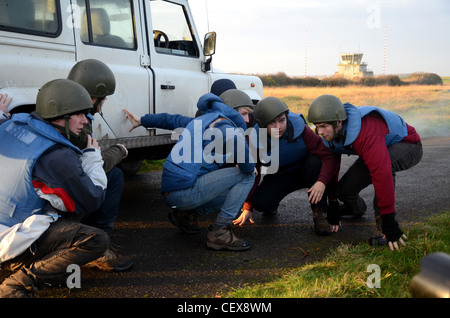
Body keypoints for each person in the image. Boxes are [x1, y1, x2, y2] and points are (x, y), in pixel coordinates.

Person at [0, 79, 110, 297]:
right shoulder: (56, 156)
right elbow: (92, 197)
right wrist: (92, 158)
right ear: (60, 116)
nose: (84, 120)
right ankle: (19, 283)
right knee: (96, 240)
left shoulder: (11, 124)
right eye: (78, 114)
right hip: (9, 241)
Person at [124, 92, 257, 251]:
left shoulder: (203, 120)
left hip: (171, 191)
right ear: (231, 110)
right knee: (247, 177)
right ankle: (220, 232)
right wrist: (247, 167)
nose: (247, 120)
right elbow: (244, 158)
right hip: (183, 191)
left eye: (249, 115)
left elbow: (172, 120)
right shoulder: (227, 127)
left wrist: (142, 120)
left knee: (234, 188)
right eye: (244, 114)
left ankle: (185, 214)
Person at [307, 94, 423, 250]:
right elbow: (333, 164)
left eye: (323, 126)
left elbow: (381, 174)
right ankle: (357, 209)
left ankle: (382, 222)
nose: (319, 132)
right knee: (343, 190)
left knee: (384, 166)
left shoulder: (366, 132)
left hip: (407, 145)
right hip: (377, 148)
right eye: (316, 126)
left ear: (338, 122)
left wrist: (389, 219)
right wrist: (333, 202)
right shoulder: (331, 133)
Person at [67, 59, 132, 271]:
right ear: (94, 97)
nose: (102, 105)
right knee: (114, 177)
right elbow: (96, 167)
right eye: (102, 100)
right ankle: (97, 246)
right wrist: (119, 151)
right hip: (59, 194)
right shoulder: (78, 123)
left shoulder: (60, 110)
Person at [240, 96, 339, 236]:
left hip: (307, 172)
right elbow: (253, 172)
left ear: (287, 117)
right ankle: (272, 205)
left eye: (281, 120)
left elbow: (329, 156)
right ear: (262, 125)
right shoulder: (255, 138)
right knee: (261, 203)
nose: (278, 127)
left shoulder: (301, 129)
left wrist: (322, 183)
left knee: (316, 161)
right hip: (280, 175)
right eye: (271, 123)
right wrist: (248, 205)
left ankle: (320, 214)